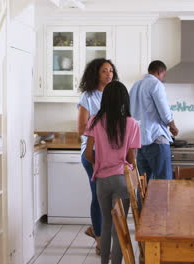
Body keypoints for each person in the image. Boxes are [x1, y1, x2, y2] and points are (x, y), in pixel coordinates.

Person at [84, 81, 141, 264]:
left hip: (102, 180)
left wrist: (100, 163)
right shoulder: (132, 124)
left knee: (106, 224)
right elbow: (132, 158)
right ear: (125, 100)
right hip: (121, 180)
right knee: (119, 227)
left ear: (105, 99)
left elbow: (87, 154)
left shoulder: (94, 120)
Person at [77, 58, 119, 255]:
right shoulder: (88, 97)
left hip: (111, 153)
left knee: (110, 198)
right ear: (96, 73)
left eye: (110, 70)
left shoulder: (115, 96)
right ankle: (101, 241)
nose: (109, 74)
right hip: (92, 153)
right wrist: (102, 128)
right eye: (104, 71)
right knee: (99, 195)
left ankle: (97, 230)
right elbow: (80, 128)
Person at [129, 60, 178, 180]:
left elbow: (129, 111)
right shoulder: (156, 84)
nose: (163, 78)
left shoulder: (136, 85)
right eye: (163, 75)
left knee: (144, 184)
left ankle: (143, 201)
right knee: (164, 182)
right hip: (156, 140)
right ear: (160, 72)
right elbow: (164, 111)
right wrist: (173, 126)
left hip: (139, 142)